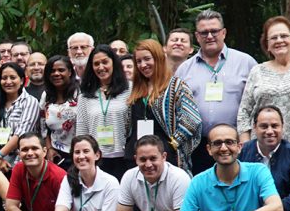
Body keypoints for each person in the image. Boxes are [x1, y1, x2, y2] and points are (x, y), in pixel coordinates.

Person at [175, 9, 258, 173]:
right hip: (199, 146)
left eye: (214, 31)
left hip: (236, 143)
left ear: (224, 33)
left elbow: (257, 103)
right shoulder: (184, 70)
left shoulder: (246, 62)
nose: (210, 36)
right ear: (197, 36)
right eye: (204, 32)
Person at [236, 16, 290, 151]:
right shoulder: (257, 71)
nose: (279, 40)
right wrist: (246, 148)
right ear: (267, 45)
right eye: (273, 38)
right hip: (262, 152)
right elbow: (244, 112)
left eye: (284, 36)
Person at [127, 39, 201, 172]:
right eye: (138, 61)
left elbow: (192, 119)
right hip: (136, 156)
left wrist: (174, 143)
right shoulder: (135, 89)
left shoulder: (176, 86)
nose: (143, 65)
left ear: (158, 58)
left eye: (147, 59)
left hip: (166, 157)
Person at [74, 45, 132, 179]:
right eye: (96, 64)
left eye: (105, 62)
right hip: (97, 159)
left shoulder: (130, 89)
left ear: (114, 63)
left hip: (124, 158)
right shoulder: (85, 95)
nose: (101, 67)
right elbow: (82, 131)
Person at [0, 61, 40, 172]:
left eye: (13, 77)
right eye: (4, 78)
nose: (8, 81)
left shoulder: (29, 102)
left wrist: (0, 155)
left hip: (21, 161)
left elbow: (21, 133)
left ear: (22, 80)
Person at [40, 55, 79, 167]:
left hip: (78, 151)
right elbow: (43, 127)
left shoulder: (80, 93)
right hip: (56, 153)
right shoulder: (46, 96)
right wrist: (49, 149)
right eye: (52, 71)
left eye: (61, 70)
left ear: (70, 72)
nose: (56, 74)